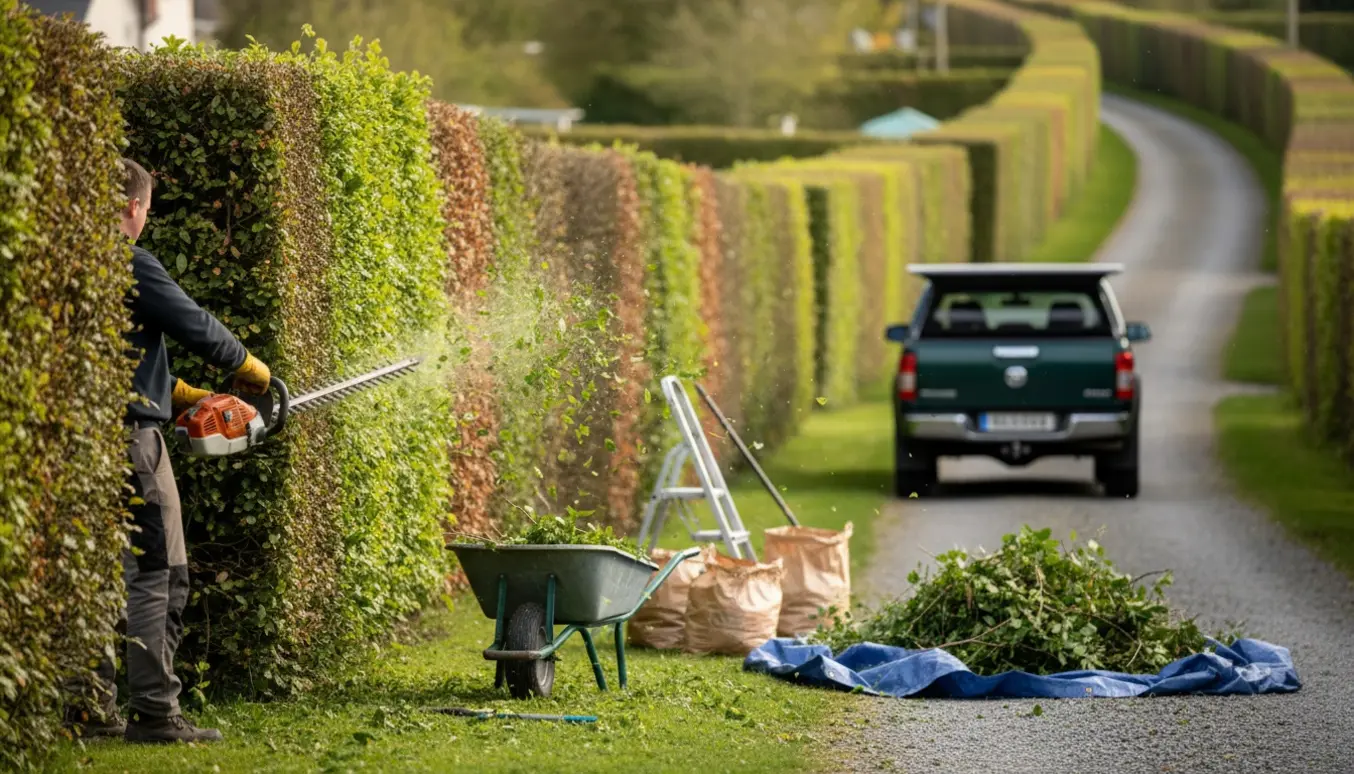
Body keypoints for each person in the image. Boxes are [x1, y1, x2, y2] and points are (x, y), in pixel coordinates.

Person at [63, 158, 273, 744]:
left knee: (95, 573)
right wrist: (247, 367)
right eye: (147, 209)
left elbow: (123, 352)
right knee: (160, 572)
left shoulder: (66, 265)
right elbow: (193, 323)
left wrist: (181, 394)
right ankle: (156, 712)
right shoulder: (129, 260)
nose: (145, 219)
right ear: (134, 206)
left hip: (76, 441)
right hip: (132, 444)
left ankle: (89, 708)